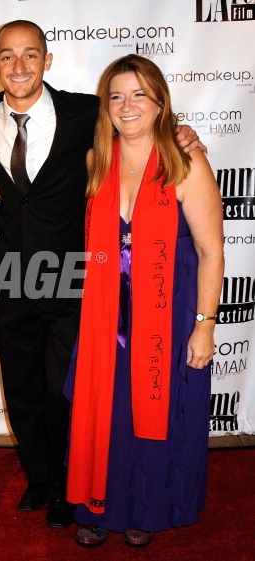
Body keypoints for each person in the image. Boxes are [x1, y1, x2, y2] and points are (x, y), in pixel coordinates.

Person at [0, 20, 203, 529]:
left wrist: (186, 133)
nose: (19, 67)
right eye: (7, 57)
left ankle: (63, 486)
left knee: (65, 388)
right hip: (13, 270)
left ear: (47, 60)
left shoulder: (85, 111)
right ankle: (37, 478)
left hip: (77, 275)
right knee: (21, 384)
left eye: (31, 55)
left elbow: (141, 117)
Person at [66, 54, 224, 548]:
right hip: (104, 321)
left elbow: (210, 250)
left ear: (160, 101)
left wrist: (204, 324)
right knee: (105, 415)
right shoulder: (98, 160)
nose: (126, 105)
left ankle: (145, 509)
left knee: (152, 417)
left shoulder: (186, 161)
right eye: (116, 95)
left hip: (168, 318)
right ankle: (99, 505)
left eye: (139, 94)